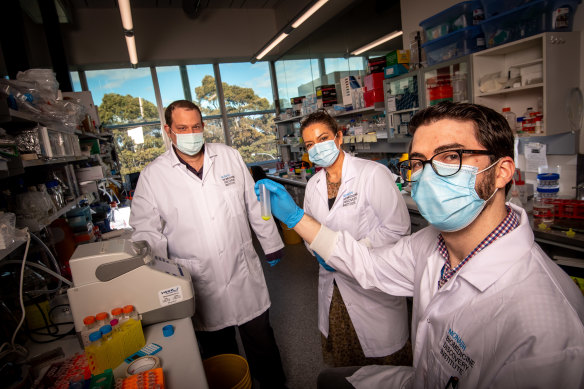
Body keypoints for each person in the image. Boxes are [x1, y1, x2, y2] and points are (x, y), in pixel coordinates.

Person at [256, 102, 584, 388]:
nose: (428, 175)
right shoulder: (427, 246)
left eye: (451, 156)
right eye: (418, 163)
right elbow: (368, 264)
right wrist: (298, 219)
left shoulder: (546, 332)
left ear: (501, 172)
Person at [130, 100, 287, 388]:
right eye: (182, 128)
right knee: (218, 350)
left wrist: (271, 242)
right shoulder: (153, 176)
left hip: (242, 269)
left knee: (262, 340)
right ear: (168, 131)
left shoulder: (228, 156)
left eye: (196, 126)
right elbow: (146, 231)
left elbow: (254, 205)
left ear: (204, 126)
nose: (191, 133)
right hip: (198, 278)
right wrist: (155, 278)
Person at [300, 110, 412, 368]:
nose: (317, 148)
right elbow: (309, 228)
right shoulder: (313, 184)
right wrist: (317, 250)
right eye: (309, 145)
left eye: (323, 138)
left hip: (372, 283)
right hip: (334, 289)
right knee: (345, 362)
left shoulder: (372, 173)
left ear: (339, 137)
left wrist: (348, 254)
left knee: (385, 367)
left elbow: (397, 228)